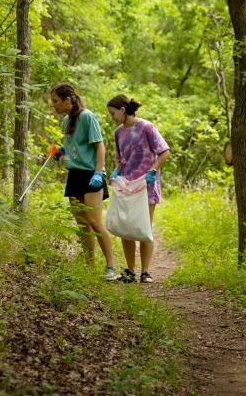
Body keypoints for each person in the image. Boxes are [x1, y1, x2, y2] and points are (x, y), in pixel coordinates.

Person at [50, 83, 120, 281]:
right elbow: (72, 146)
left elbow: (100, 147)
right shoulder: (65, 121)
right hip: (74, 175)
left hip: (91, 174)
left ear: (67, 100)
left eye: (55, 101)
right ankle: (89, 267)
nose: (53, 105)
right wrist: (61, 151)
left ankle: (111, 267)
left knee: (95, 222)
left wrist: (99, 173)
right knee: (82, 224)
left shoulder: (87, 116)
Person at [106, 95, 170, 283]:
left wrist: (153, 170)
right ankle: (130, 272)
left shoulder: (146, 127)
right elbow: (120, 159)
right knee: (126, 228)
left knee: (143, 228)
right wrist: (116, 171)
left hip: (147, 185)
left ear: (123, 110)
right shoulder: (118, 132)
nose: (112, 117)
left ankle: (146, 272)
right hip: (126, 186)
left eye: (113, 113)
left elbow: (164, 151)